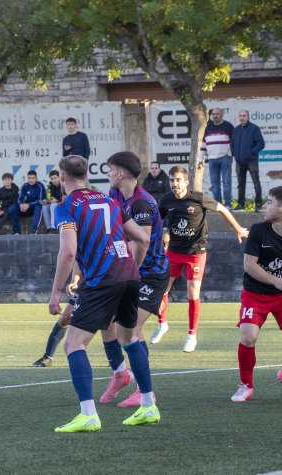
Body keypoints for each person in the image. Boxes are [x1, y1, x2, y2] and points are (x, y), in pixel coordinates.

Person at [48, 155, 156, 432]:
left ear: (63, 177)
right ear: (86, 174)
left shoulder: (66, 206)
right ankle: (148, 405)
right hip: (129, 276)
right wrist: (131, 269)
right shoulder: (110, 201)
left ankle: (88, 414)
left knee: (74, 344)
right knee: (129, 338)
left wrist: (56, 291)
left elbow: (68, 251)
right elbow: (143, 238)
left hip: (101, 280)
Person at [100, 151, 171, 407]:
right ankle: (121, 374)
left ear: (121, 174)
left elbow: (142, 242)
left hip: (150, 274)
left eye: (110, 169)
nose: (108, 174)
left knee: (131, 328)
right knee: (107, 322)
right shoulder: (115, 194)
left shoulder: (141, 202)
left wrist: (130, 273)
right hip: (130, 271)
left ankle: (144, 391)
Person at [153, 166, 249, 352]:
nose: (174, 184)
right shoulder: (166, 200)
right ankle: (162, 324)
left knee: (193, 293)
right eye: (172, 180)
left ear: (186, 182)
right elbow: (159, 220)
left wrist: (237, 228)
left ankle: (191, 335)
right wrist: (164, 232)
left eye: (178, 180)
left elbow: (222, 209)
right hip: (174, 251)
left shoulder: (198, 198)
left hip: (196, 252)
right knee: (162, 288)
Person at [232, 186, 282, 403]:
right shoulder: (259, 230)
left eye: (269, 202)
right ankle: (246, 386)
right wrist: (275, 280)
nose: (265, 206)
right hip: (255, 294)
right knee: (248, 337)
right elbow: (249, 265)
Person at [231, 109, 266, 212]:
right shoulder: (236, 130)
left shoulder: (254, 128)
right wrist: (235, 154)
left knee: (256, 184)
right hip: (239, 162)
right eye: (240, 116)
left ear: (248, 117)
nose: (242, 118)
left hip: (251, 161)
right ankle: (241, 204)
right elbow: (232, 144)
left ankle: (258, 204)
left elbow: (261, 143)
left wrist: (252, 152)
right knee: (240, 185)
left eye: (244, 116)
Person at [200, 108, 234, 206]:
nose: (215, 116)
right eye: (213, 114)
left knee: (226, 183)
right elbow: (203, 143)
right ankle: (218, 205)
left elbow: (234, 141)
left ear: (222, 114)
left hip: (225, 158)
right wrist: (201, 158)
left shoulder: (228, 126)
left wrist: (230, 153)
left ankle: (228, 204)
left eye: (217, 114)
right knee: (215, 184)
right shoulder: (207, 128)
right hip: (212, 159)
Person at [8, 170, 44, 235]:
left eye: (33, 178)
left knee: (38, 206)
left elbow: (41, 200)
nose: (31, 180)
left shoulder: (40, 186)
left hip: (34, 207)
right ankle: (16, 231)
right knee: (12, 208)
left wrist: (29, 205)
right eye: (29, 178)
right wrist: (21, 205)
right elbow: (19, 199)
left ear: (36, 178)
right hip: (25, 208)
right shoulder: (25, 186)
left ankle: (34, 231)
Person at [41, 170, 63, 234]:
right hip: (55, 204)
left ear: (59, 177)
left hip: (63, 205)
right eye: (52, 179)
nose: (54, 180)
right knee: (44, 206)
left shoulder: (63, 185)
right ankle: (48, 228)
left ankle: (54, 227)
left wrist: (57, 200)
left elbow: (66, 198)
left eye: (55, 178)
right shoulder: (51, 186)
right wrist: (47, 200)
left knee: (53, 205)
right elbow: (51, 197)